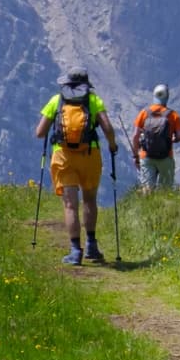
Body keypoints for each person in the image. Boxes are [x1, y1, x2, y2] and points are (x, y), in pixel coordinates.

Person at [34, 70, 119, 265]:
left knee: (70, 204)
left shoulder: (56, 100)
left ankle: (74, 251)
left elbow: (40, 132)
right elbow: (107, 127)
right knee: (89, 200)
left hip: (63, 156)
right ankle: (91, 245)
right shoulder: (93, 100)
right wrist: (112, 145)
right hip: (89, 155)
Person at [132, 83, 180, 192]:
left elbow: (135, 136)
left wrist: (135, 155)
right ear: (167, 97)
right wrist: (173, 139)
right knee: (165, 190)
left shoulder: (144, 113)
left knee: (147, 190)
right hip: (166, 156)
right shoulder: (173, 115)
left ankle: (147, 207)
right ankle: (163, 207)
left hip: (146, 156)